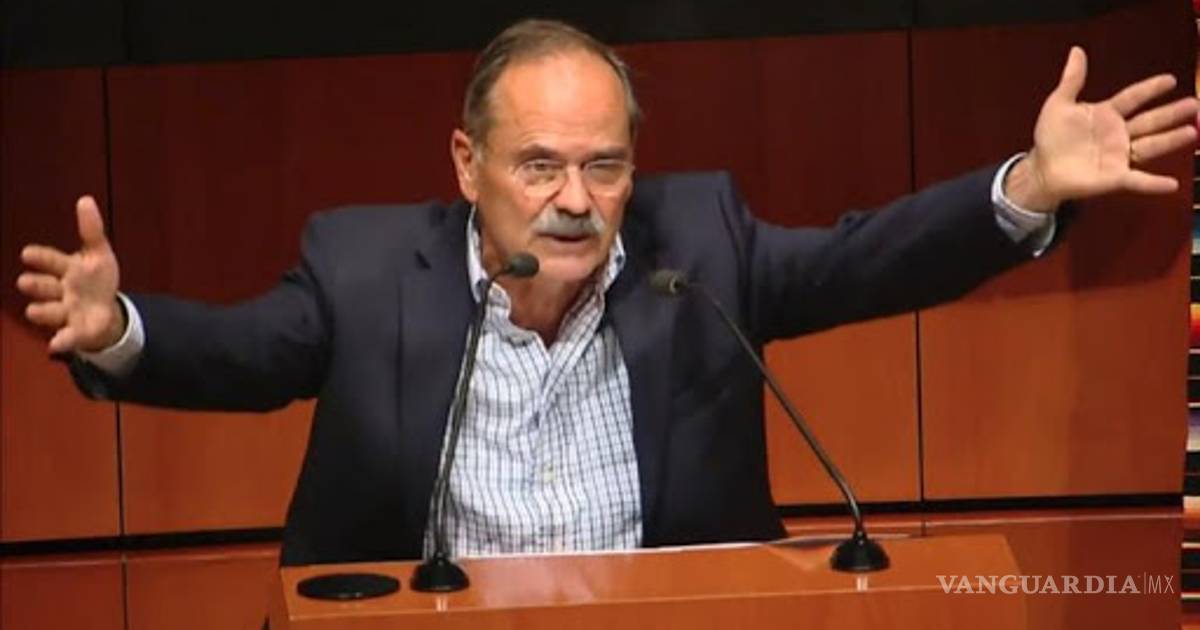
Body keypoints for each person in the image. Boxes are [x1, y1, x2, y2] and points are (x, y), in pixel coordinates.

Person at [15, 19, 1198, 565]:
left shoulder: (704, 248)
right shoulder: (367, 267)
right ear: (468, 165)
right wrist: (118, 328)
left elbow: (870, 257)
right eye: (538, 166)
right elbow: (244, 355)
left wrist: (1026, 185)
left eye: (606, 166)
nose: (575, 200)